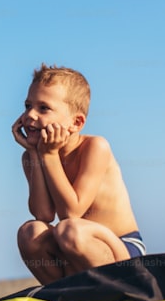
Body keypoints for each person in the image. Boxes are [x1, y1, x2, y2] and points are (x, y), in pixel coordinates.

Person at [12, 64, 145, 285]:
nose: (29, 115)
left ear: (76, 123)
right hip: (73, 248)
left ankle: (120, 288)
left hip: (121, 250)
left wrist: (50, 155)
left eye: (43, 108)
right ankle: (66, 291)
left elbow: (71, 212)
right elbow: (43, 214)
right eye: (28, 106)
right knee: (30, 232)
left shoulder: (95, 147)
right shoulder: (32, 157)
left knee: (70, 230)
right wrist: (36, 155)